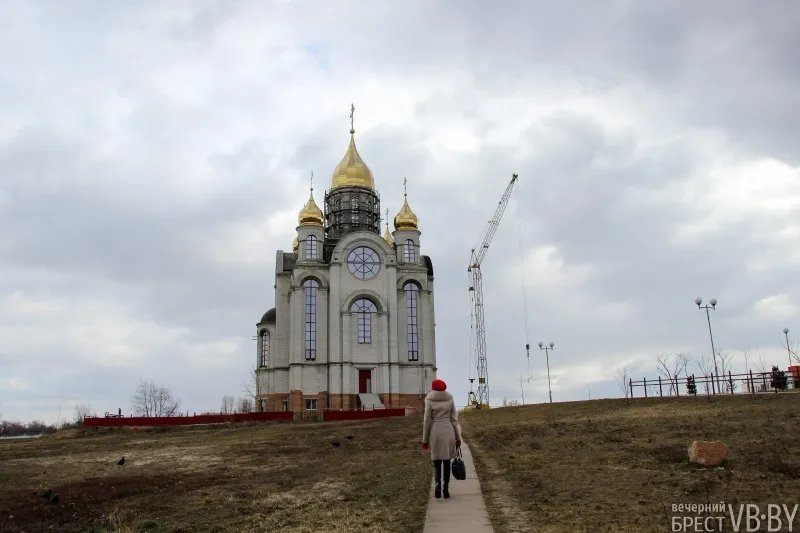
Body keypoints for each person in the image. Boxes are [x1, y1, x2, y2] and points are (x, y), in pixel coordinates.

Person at [421, 379, 462, 499]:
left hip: (435, 432)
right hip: (448, 431)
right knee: (447, 461)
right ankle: (446, 489)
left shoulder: (429, 400)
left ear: (433, 388)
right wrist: (458, 437)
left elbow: (427, 421)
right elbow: (454, 420)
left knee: (437, 462)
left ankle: (438, 487)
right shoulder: (450, 399)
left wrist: (425, 441)